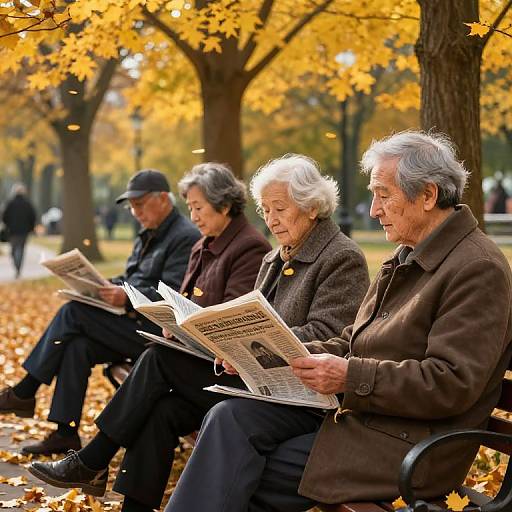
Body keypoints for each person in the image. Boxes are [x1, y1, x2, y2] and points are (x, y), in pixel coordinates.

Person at [155, 131, 511, 512]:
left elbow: (451, 383)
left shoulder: (477, 268)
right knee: (230, 419)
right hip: (366, 421)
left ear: (427, 195)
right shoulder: (408, 254)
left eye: (383, 194)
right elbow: (352, 340)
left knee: (238, 468)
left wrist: (348, 376)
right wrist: (268, 355)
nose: (374, 210)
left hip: (414, 447)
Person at [29, 154, 370, 512]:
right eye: (265, 209)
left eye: (279, 209)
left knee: (159, 360)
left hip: (294, 392)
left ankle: (94, 458)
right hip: (251, 378)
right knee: (162, 408)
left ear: (312, 206)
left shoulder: (341, 257)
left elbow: (329, 334)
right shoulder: (276, 257)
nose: (270, 219)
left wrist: (247, 343)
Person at [0, 169, 201, 455]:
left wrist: (127, 298)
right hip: (128, 325)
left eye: (140, 204)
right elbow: (133, 277)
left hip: (156, 332)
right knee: (78, 347)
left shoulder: (184, 237)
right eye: (132, 206)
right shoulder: (147, 234)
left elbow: (172, 293)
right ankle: (65, 433)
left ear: (164, 199)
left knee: (73, 313)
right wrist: (103, 285)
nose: (135, 212)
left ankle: (24, 391)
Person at [1, 183, 37, 278]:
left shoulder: (10, 203)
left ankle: (17, 266)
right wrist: (31, 228)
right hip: (24, 231)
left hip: (12, 231)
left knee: (13, 250)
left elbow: (4, 216)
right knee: (20, 249)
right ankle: (18, 267)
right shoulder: (27, 204)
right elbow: (33, 217)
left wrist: (7, 225)